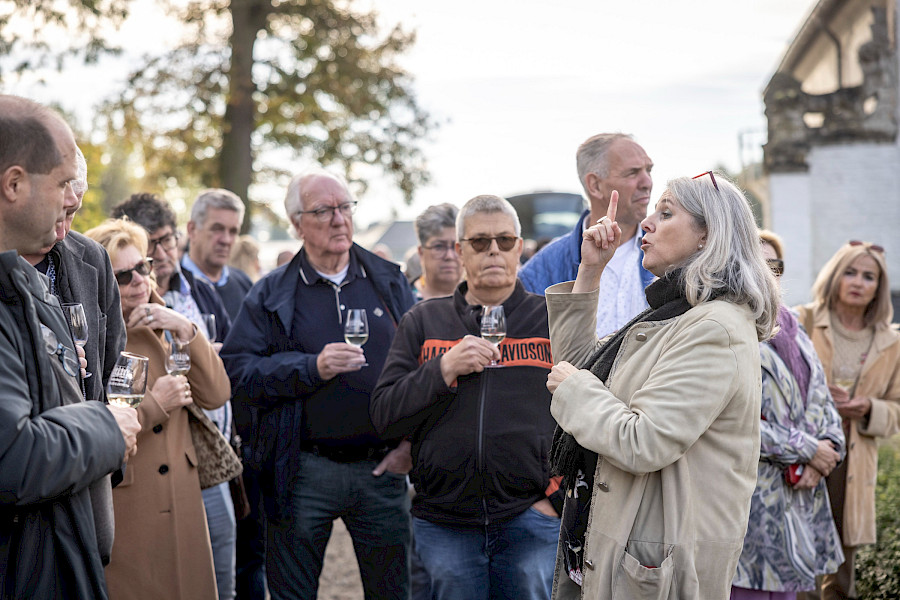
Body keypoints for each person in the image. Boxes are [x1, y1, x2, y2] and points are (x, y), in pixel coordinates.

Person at [544, 171, 780, 598]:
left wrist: (575, 387)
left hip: (655, 569)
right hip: (610, 546)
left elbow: (643, 440)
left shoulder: (715, 326)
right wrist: (590, 271)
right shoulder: (675, 315)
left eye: (666, 212)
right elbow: (581, 371)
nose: (648, 222)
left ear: (709, 235)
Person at [221, 168, 415, 600]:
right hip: (303, 470)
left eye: (345, 207)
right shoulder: (271, 292)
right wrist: (312, 367)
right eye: (323, 210)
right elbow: (237, 372)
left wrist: (409, 445)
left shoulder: (388, 280)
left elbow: (421, 365)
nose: (338, 219)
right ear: (296, 223)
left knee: (393, 593)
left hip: (381, 469)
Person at [371, 195, 562, 600]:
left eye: (505, 240)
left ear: (520, 246)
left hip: (529, 517)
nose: (494, 250)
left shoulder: (549, 318)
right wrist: (441, 369)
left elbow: (581, 416)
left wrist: (555, 497)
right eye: (479, 242)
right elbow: (384, 414)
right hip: (445, 522)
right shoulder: (424, 320)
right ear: (459, 250)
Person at [0, 94, 139, 598]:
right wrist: (106, 428)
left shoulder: (88, 261)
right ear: (14, 184)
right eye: (62, 186)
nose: (70, 203)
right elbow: (12, 454)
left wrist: (113, 442)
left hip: (74, 519)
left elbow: (106, 370)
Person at [86, 217, 231, 599]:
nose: (138, 280)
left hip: (182, 497)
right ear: (101, 282)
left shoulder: (164, 324)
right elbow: (96, 424)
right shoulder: (94, 339)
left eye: (143, 267)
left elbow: (216, 393)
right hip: (131, 500)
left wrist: (185, 329)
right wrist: (156, 405)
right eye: (123, 275)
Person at [20, 146, 129, 570]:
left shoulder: (93, 259)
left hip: (88, 473)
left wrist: (110, 456)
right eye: (59, 213)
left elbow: (113, 363)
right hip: (24, 471)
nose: (64, 230)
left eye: (75, 214)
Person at [731, 230, 846, 599]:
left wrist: (827, 450)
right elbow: (735, 423)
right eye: (758, 263)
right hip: (752, 504)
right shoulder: (729, 329)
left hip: (798, 500)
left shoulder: (795, 329)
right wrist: (808, 449)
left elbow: (822, 400)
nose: (768, 273)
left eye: (775, 265)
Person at [795, 240, 900, 600]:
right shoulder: (802, 320)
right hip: (805, 450)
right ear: (836, 276)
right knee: (799, 553)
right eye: (851, 272)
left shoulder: (892, 341)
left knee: (842, 568)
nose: (858, 282)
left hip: (854, 461)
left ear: (879, 287)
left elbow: (897, 408)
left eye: (869, 276)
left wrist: (868, 407)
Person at [518, 133, 655, 337]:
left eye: (648, 170)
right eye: (633, 173)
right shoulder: (541, 271)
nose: (647, 182)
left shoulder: (671, 255)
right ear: (595, 185)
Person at [184, 188, 254, 320]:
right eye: (217, 229)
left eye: (233, 231)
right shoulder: (175, 286)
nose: (226, 240)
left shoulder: (245, 285)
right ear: (192, 230)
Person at [411, 202, 463, 300]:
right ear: (421, 252)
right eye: (439, 247)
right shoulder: (403, 302)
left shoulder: (481, 304)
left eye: (455, 246)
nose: (449, 256)